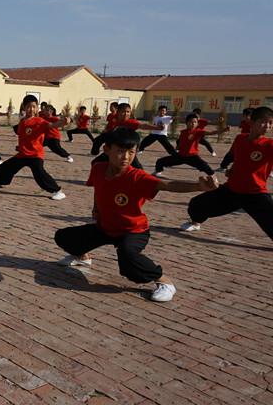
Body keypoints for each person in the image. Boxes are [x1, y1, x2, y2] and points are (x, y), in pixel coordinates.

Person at [55, 127, 218, 302]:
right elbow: (98, 188)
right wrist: (96, 208)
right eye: (120, 151)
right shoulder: (98, 168)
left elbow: (167, 185)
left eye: (131, 152)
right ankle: (83, 257)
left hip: (133, 231)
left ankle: (164, 281)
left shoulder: (137, 177)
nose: (126, 157)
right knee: (63, 237)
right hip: (106, 228)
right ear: (107, 150)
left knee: (128, 261)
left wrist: (198, 187)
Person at [181, 106, 273, 238]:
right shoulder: (240, 139)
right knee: (196, 204)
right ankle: (195, 223)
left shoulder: (269, 145)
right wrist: (231, 171)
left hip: (255, 194)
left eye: (270, 123)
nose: (267, 126)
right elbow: (239, 160)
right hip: (232, 191)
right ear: (251, 122)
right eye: (263, 122)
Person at [0, 95, 67, 200]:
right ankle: (1, 182)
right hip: (23, 154)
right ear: (24, 107)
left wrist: (63, 122)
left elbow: (52, 125)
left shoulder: (39, 121)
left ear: (37, 108)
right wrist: (20, 147)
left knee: (40, 175)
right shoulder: (23, 122)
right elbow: (24, 137)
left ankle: (58, 191)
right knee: (3, 168)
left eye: (34, 106)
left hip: (35, 155)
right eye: (29, 106)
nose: (31, 109)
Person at [91, 103, 162, 169]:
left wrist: (156, 128)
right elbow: (109, 126)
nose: (125, 114)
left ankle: (143, 180)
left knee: (138, 168)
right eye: (123, 112)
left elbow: (143, 126)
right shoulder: (113, 117)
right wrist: (106, 130)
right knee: (95, 163)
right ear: (118, 112)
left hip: (126, 150)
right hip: (113, 150)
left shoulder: (131, 122)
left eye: (128, 112)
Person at [153, 113, 225, 177]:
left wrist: (223, 130)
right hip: (181, 156)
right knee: (160, 161)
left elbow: (211, 133)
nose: (193, 124)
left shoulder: (198, 132)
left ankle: (213, 177)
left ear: (197, 124)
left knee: (205, 167)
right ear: (187, 123)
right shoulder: (183, 132)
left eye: (195, 122)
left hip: (192, 157)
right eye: (191, 122)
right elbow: (180, 142)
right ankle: (158, 172)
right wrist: (177, 149)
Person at [218, 108, 252, 172]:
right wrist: (229, 128)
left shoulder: (254, 125)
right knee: (231, 153)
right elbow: (238, 129)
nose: (247, 117)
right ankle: (223, 167)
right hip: (240, 141)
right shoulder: (243, 122)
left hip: (248, 143)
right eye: (245, 115)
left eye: (249, 116)